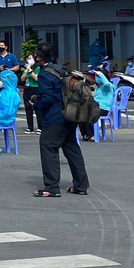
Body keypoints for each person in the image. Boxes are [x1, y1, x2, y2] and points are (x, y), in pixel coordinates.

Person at [32, 42, 89, 197]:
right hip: (69, 115)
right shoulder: (61, 70)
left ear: (39, 58)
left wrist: (35, 103)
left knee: (48, 147)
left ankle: (51, 187)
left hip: (54, 117)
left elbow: (47, 98)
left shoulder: (45, 73)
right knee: (72, 149)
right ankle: (81, 185)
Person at [82, 66, 115, 141]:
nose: (96, 78)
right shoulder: (98, 86)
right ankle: (87, 134)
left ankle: (93, 135)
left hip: (103, 109)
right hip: (96, 107)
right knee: (82, 114)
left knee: (89, 115)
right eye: (96, 76)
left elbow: (106, 83)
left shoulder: (108, 86)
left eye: (98, 76)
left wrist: (101, 74)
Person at [22, 53, 40, 134]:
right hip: (27, 88)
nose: (29, 60)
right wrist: (26, 71)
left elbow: (36, 78)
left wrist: (30, 70)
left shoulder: (37, 68)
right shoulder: (27, 67)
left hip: (35, 88)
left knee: (37, 108)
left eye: (30, 58)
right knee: (28, 107)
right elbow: (22, 79)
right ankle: (30, 127)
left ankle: (40, 127)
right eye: (28, 58)